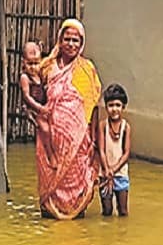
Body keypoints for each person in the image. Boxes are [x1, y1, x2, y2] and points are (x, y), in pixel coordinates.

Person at [35, 18, 102, 219]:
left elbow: (94, 107)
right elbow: (38, 100)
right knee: (50, 184)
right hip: (51, 142)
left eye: (76, 40)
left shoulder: (87, 69)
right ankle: (51, 215)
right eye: (67, 39)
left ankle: (76, 215)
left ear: (81, 44)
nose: (71, 44)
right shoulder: (47, 67)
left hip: (79, 142)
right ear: (60, 40)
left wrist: (94, 141)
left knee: (77, 183)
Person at [99, 83, 131, 217]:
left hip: (121, 174)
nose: (114, 109)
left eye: (118, 105)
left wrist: (114, 169)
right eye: (111, 105)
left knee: (123, 211)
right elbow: (101, 149)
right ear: (106, 107)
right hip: (104, 174)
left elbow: (126, 153)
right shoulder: (103, 125)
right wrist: (107, 170)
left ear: (123, 107)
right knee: (107, 211)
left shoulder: (126, 127)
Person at [19, 40, 47, 131]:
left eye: (36, 63)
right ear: (23, 62)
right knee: (44, 130)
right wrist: (38, 107)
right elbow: (26, 96)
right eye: (30, 63)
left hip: (42, 109)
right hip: (33, 109)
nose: (33, 67)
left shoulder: (41, 76)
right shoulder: (25, 77)